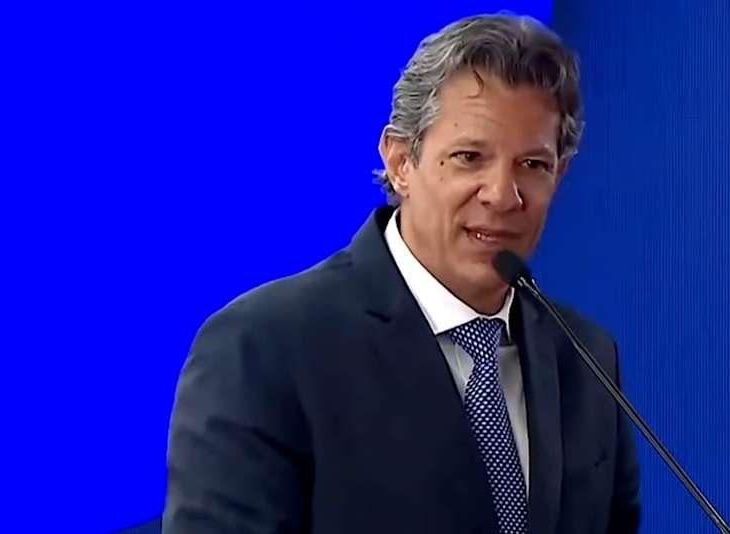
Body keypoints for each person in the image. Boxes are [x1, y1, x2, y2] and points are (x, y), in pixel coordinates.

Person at [163, 13, 640, 534]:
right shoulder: (262, 348)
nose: (503, 195)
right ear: (400, 161)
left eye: (533, 165)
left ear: (560, 173)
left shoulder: (588, 361)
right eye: (469, 157)